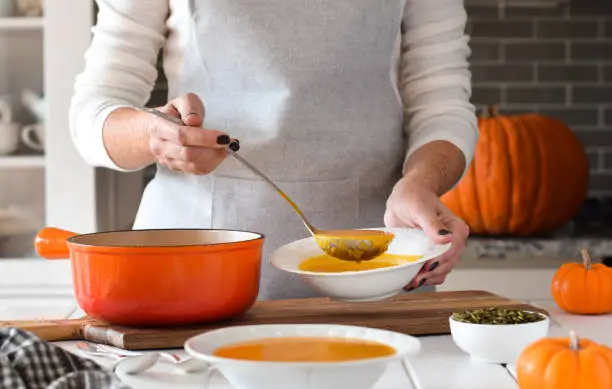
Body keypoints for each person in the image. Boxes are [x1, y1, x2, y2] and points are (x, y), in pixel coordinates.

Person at [69, 0, 478, 300]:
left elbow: (441, 100)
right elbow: (93, 110)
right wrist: (153, 135)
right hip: (191, 274)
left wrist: (421, 182)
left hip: (378, 275)